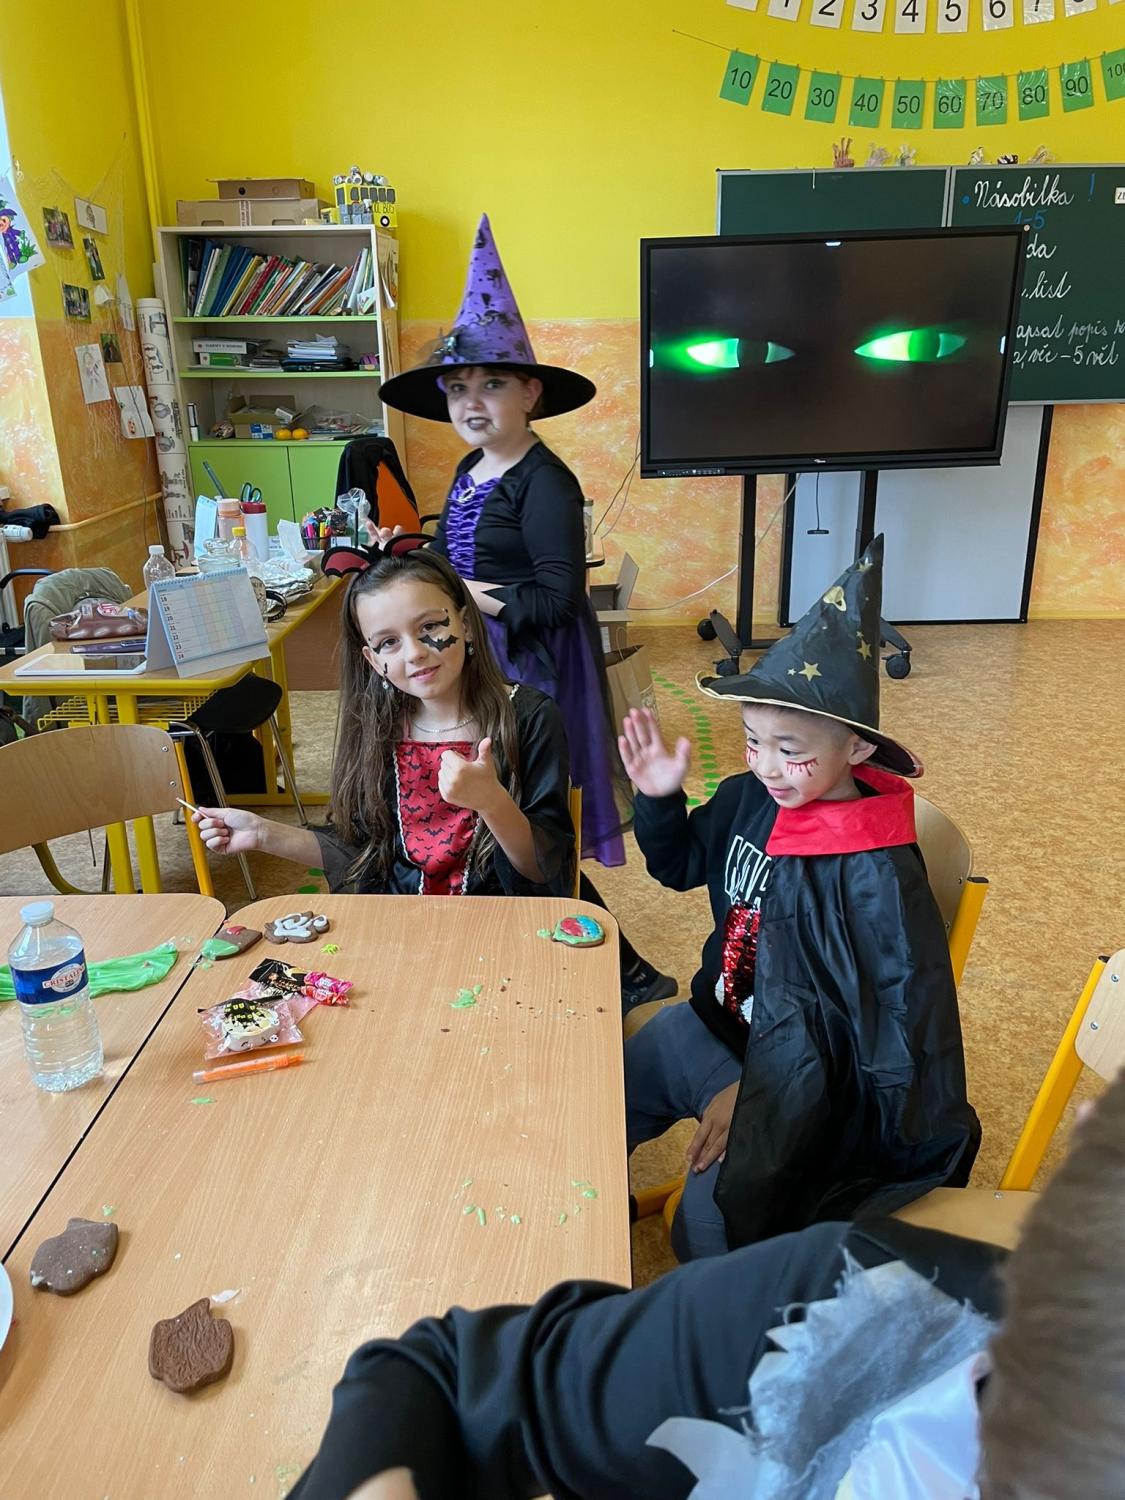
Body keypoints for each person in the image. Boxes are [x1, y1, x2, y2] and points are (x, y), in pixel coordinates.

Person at [288, 1069, 1125, 1500]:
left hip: (774, 1083)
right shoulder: (839, 1318)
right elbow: (443, 1379)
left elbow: (871, 1058)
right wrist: (661, 810)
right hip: (736, 1057)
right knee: (678, 1185)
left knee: (711, 1212)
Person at [622, 538, 980, 1260]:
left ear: (857, 749)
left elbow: (875, 1038)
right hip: (711, 1022)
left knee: (713, 1223)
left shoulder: (878, 873)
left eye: (790, 748)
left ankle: (731, 1314)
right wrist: (658, 800)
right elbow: (679, 866)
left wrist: (762, 1093)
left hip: (799, 1086)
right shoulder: (746, 798)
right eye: (752, 740)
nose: (767, 766)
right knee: (603, 1097)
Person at [377, 213, 674, 1008]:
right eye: (458, 388)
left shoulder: (545, 482)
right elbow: (454, 552)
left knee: (527, 817)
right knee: (484, 816)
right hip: (471, 655)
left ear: (530, 392)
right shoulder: (470, 469)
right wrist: (416, 556)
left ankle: (617, 965)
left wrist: (462, 594)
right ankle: (512, 944)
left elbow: (556, 597)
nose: (472, 402)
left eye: (492, 385)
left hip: (527, 669)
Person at [193, 539, 573, 897]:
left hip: (505, 923)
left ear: (467, 625)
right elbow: (361, 851)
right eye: (389, 642)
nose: (414, 653)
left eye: (430, 627)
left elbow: (543, 868)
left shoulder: (529, 717)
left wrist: (493, 803)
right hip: (403, 923)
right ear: (373, 661)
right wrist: (262, 833)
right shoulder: (379, 727)